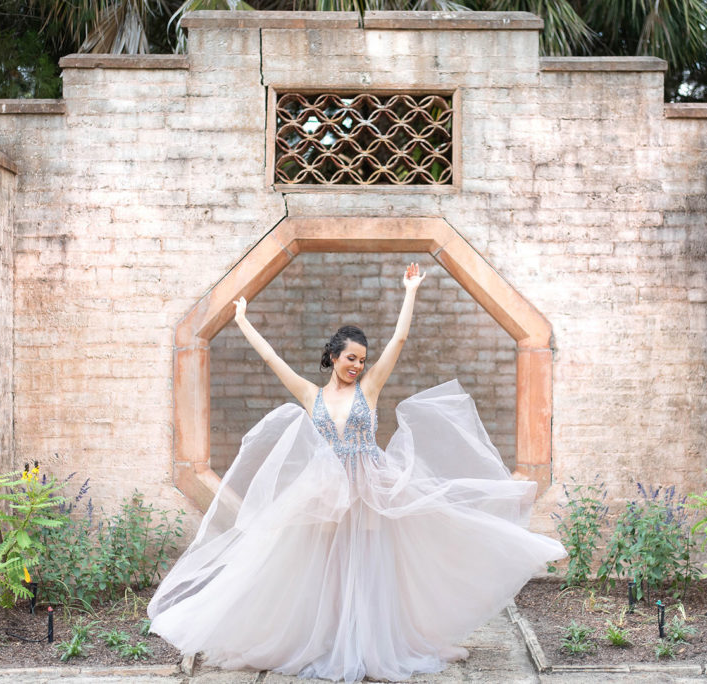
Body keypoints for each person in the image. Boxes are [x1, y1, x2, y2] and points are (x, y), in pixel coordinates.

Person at [148, 263, 566, 682]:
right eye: (351, 358)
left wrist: (410, 292)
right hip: (326, 492)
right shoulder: (310, 394)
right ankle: (329, 638)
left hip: (371, 487)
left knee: (372, 566)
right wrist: (243, 321)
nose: (357, 366)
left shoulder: (369, 389)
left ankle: (375, 640)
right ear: (333, 357)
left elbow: (399, 340)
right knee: (326, 569)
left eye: (362, 360)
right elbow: (272, 358)